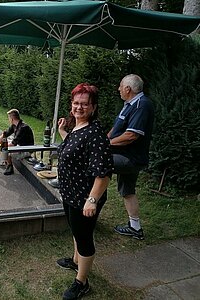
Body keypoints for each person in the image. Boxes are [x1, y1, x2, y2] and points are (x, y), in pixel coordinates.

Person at [56, 83, 113, 300]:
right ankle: (75, 260)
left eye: (84, 104)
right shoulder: (77, 128)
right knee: (75, 230)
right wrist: (63, 132)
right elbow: (73, 151)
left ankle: (82, 282)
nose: (79, 107)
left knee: (84, 237)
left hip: (84, 197)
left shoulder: (95, 133)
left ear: (93, 107)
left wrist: (92, 200)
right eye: (76, 103)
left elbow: (104, 173)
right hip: (71, 193)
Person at [108, 74, 155, 240]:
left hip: (130, 158)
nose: (118, 89)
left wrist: (107, 145)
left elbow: (131, 136)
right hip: (124, 155)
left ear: (128, 89)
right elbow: (116, 129)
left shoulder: (142, 105)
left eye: (120, 86)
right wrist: (104, 140)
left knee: (94, 164)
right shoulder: (129, 105)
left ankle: (88, 207)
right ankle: (136, 228)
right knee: (128, 191)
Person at [0, 109, 34, 175]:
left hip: (26, 149)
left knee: (6, 151)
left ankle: (9, 167)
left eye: (9, 118)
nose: (8, 120)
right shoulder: (14, 125)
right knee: (4, 144)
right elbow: (5, 134)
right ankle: (6, 161)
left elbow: (13, 144)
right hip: (20, 146)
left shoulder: (23, 128)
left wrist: (1, 149)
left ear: (12, 118)